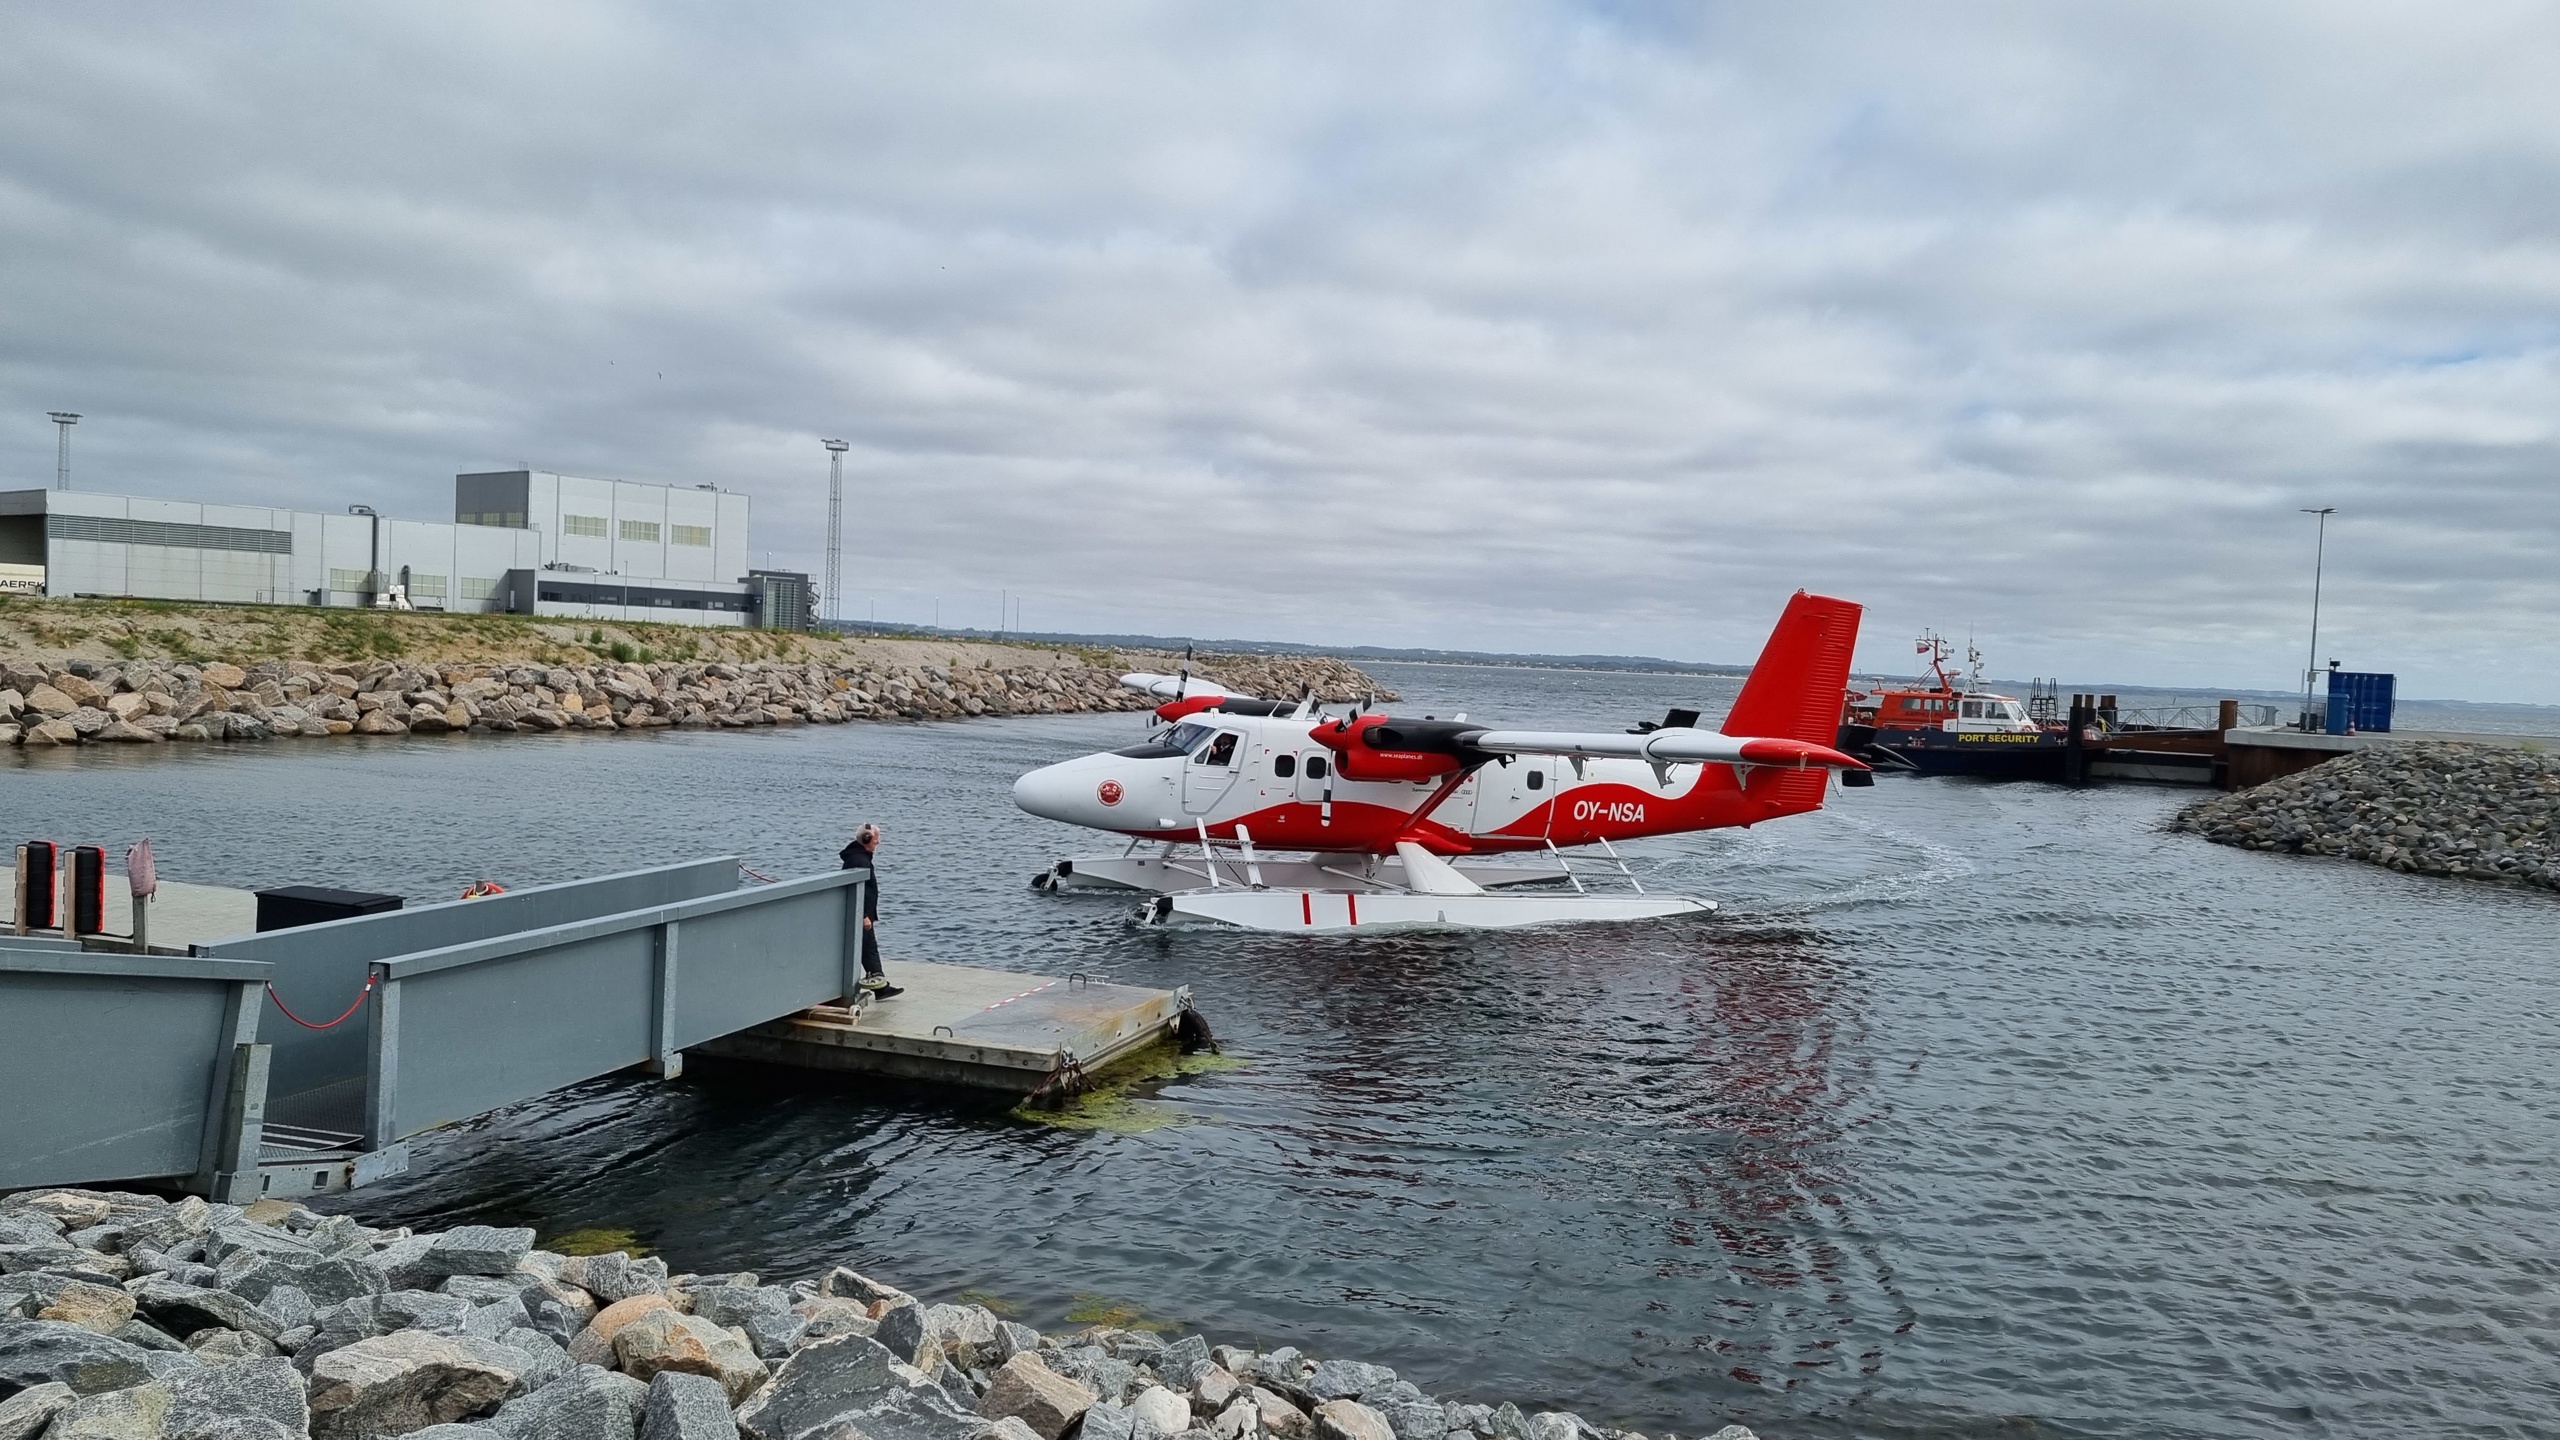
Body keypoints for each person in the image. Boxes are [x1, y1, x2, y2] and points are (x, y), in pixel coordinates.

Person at [838, 823, 901, 999]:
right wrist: (864, 915)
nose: (878, 842)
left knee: (867, 948)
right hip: (861, 914)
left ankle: (880, 987)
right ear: (866, 840)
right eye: (875, 839)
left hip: (862, 913)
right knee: (868, 948)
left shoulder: (859, 856)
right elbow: (860, 890)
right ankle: (880, 987)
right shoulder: (859, 861)